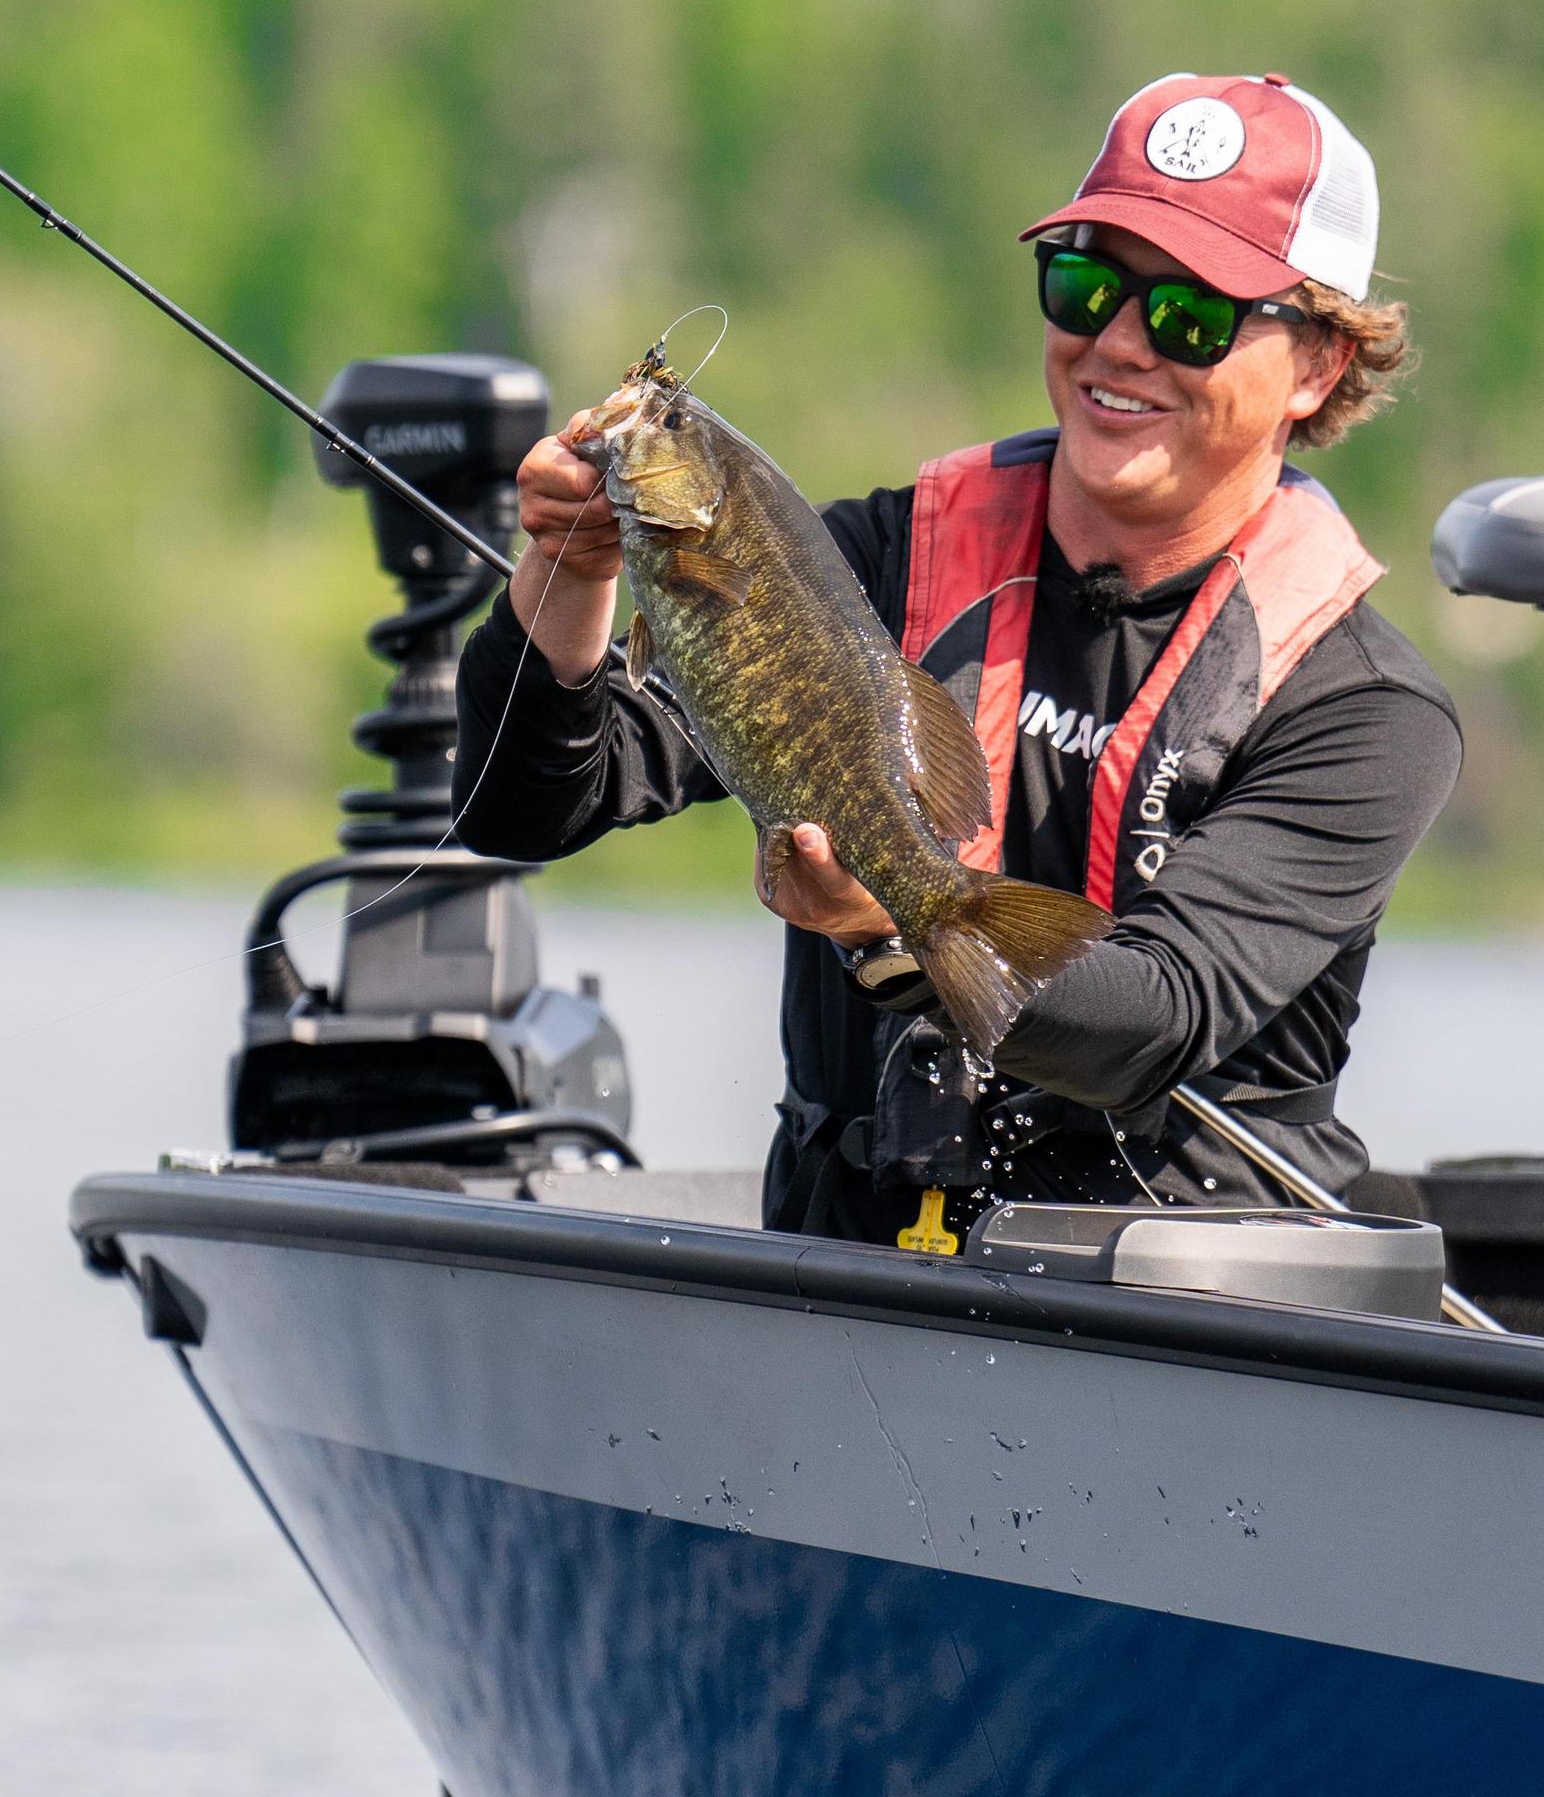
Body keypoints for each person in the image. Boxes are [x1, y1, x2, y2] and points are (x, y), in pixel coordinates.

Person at [453, 73, 1461, 1244]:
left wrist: (882, 929)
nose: (1120, 345)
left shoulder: (1363, 711)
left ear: (1318, 365)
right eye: (1086, 285)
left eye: (1193, 316)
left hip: (1185, 1299)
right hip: (855, 1266)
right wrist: (571, 574)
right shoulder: (883, 560)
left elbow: (1156, 1013)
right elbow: (525, 808)